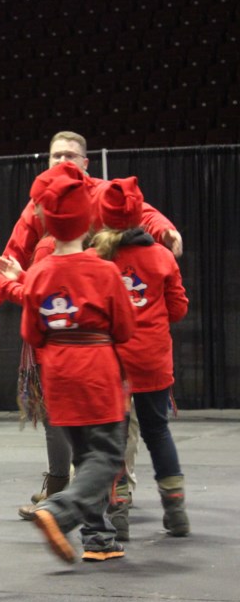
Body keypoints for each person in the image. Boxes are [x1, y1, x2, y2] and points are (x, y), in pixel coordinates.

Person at [0, 131, 182, 518]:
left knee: (117, 426)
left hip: (89, 327)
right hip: (62, 325)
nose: (62, 160)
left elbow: (144, 212)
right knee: (69, 420)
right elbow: (12, 251)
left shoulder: (101, 195)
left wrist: (165, 230)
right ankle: (70, 491)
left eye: (70, 154)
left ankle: (104, 500)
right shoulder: (40, 203)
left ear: (86, 162)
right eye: (56, 155)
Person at [0, 162, 136, 563]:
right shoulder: (104, 270)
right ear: (88, 220)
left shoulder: (40, 272)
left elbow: (31, 332)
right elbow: (125, 329)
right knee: (109, 455)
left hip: (58, 377)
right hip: (95, 371)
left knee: (85, 454)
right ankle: (59, 509)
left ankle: (98, 540)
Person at [91, 178, 190, 539]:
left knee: (115, 436)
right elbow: (178, 309)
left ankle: (118, 515)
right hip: (153, 360)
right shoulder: (162, 257)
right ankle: (176, 509)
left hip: (113, 364)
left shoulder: (97, 259)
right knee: (158, 431)